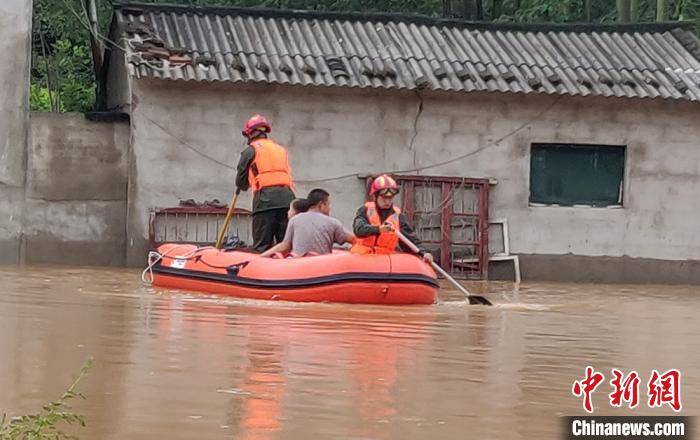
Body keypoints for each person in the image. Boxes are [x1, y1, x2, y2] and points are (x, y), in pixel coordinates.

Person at [235, 114, 295, 252]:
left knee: (262, 246)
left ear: (250, 134)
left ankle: (261, 271)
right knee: (286, 246)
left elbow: (241, 183)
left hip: (265, 202)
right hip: (288, 201)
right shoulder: (281, 150)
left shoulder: (250, 150)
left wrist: (244, 183)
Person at [351, 174, 433, 262]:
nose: (387, 201)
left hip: (384, 261)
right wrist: (378, 229)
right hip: (362, 259)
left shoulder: (398, 216)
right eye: (384, 198)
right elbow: (358, 229)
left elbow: (410, 240)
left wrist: (424, 253)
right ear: (375, 196)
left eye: (390, 198)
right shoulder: (365, 210)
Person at [260, 189, 355, 258]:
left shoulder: (295, 220)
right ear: (321, 204)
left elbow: (285, 246)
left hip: (296, 268)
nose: (330, 208)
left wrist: (262, 256)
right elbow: (353, 240)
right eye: (328, 204)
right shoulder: (333, 223)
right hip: (323, 270)